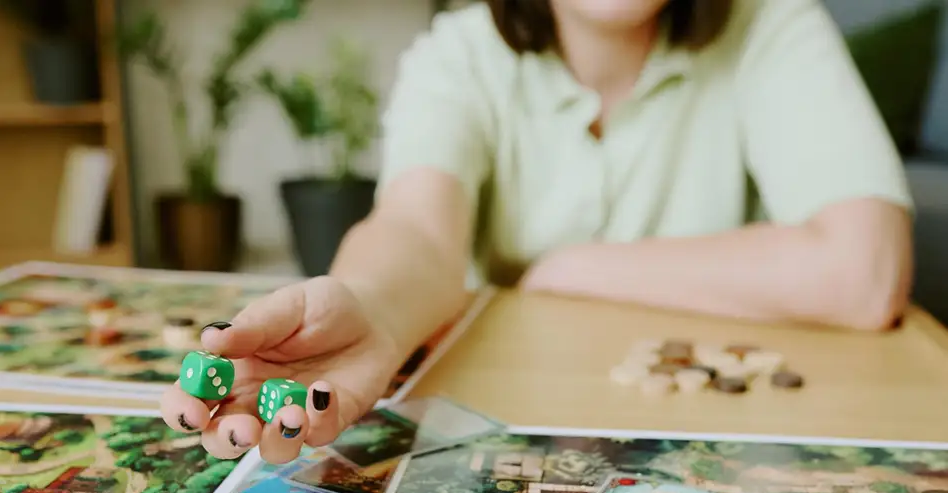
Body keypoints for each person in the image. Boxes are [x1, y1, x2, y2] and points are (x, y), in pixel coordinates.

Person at [160, 0, 913, 464]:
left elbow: (866, 270)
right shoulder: (459, 53)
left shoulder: (774, 25)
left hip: (711, 439)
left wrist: (572, 268)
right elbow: (417, 230)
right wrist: (372, 310)